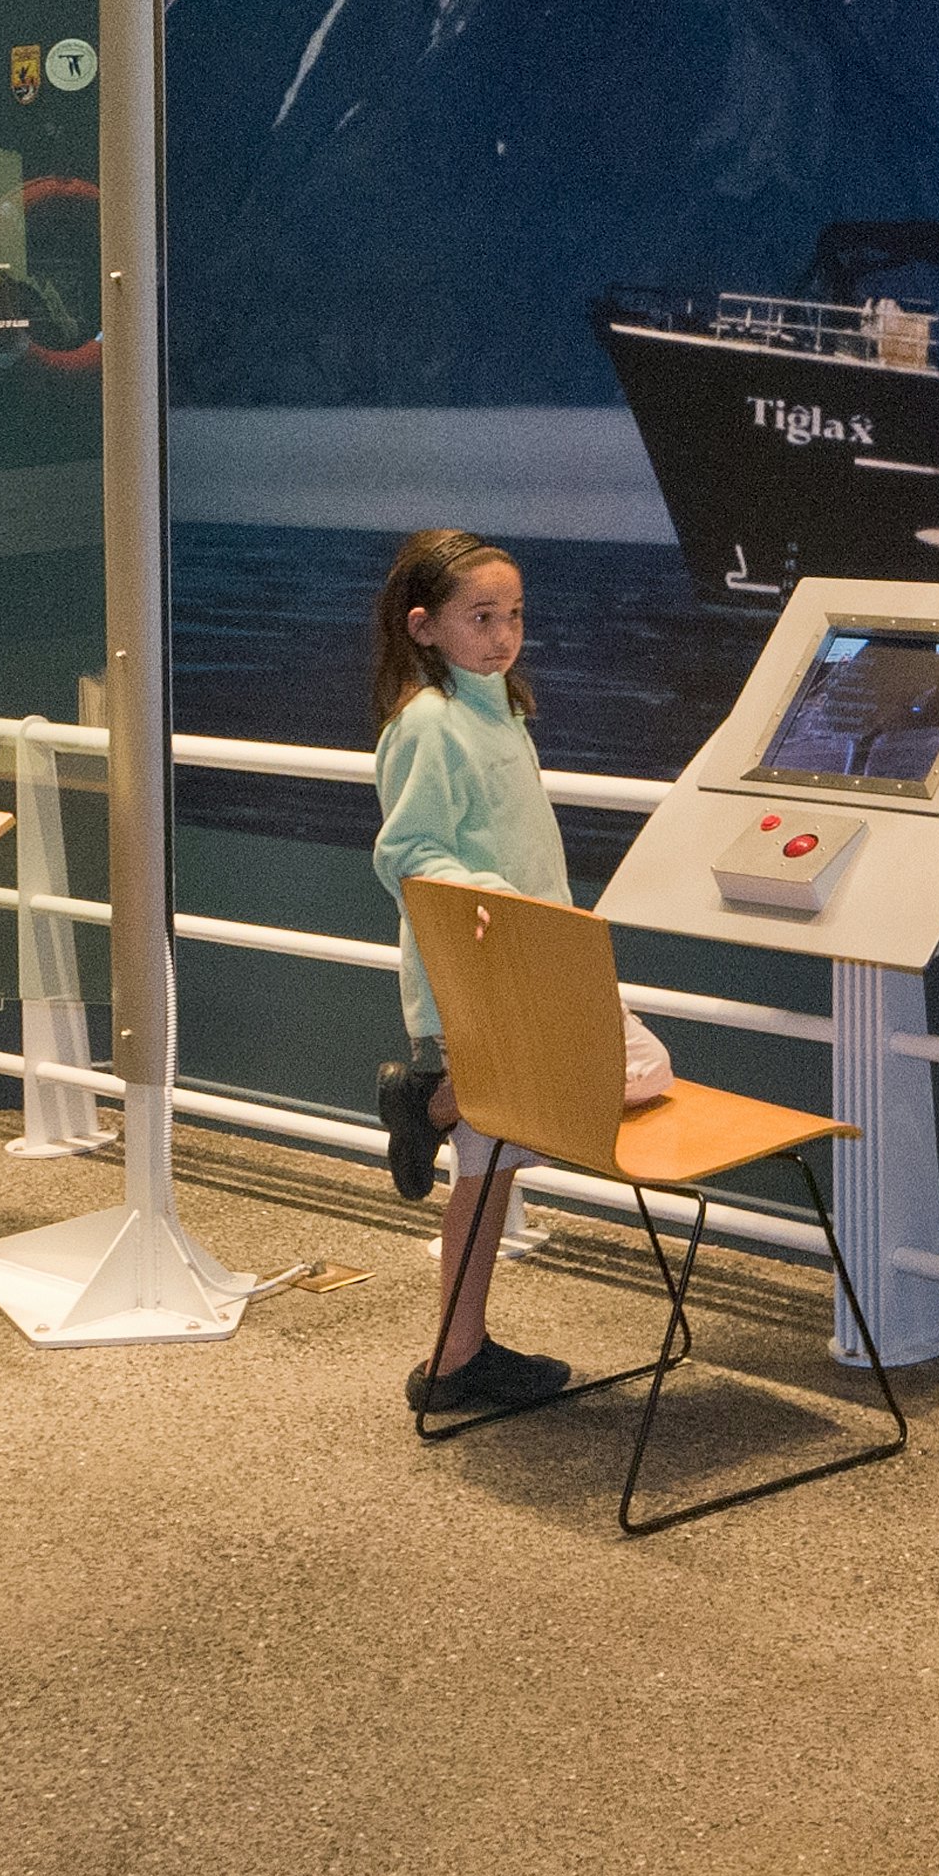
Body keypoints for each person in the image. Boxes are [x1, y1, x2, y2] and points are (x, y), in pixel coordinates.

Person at [363, 528, 665, 1416]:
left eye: (514, 615)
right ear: (423, 628)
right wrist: (495, 899)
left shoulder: (499, 707)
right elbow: (410, 852)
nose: (502, 635)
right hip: (483, 970)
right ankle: (436, 1100)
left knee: (488, 1168)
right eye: (480, 617)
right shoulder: (427, 722)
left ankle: (456, 1359)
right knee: (639, 1070)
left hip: (523, 963)